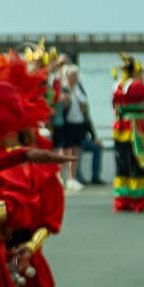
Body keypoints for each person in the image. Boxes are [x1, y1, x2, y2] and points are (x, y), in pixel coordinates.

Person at [111, 53, 144, 212]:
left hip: (120, 131)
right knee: (138, 165)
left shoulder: (118, 86)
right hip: (135, 132)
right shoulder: (136, 86)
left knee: (122, 167)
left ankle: (122, 200)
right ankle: (139, 201)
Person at [52, 63, 89, 191]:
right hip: (68, 123)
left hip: (78, 122)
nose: (75, 77)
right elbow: (62, 105)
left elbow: (85, 105)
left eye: (76, 75)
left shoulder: (79, 88)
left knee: (75, 150)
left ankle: (72, 178)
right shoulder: (64, 88)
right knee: (65, 151)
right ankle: (60, 176)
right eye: (73, 75)